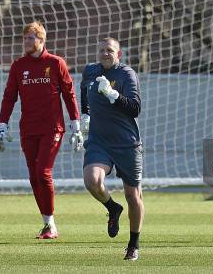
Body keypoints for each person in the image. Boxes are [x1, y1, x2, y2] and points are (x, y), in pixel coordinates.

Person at [0, 21, 83, 240]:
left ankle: (51, 225)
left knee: (43, 172)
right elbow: (9, 97)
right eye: (25, 38)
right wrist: (2, 124)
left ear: (41, 40)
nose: (26, 42)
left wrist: (76, 125)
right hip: (28, 128)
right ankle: (47, 224)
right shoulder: (18, 66)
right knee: (34, 176)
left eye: (31, 38)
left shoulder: (56, 63)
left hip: (52, 128)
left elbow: (69, 94)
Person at [80, 37, 144, 261]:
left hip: (126, 142)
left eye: (110, 50)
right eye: (101, 50)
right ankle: (112, 208)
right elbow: (84, 94)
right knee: (92, 180)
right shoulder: (90, 71)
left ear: (119, 54)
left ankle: (133, 245)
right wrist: (85, 117)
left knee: (133, 196)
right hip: (99, 141)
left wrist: (112, 95)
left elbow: (135, 108)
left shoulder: (126, 74)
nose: (105, 54)